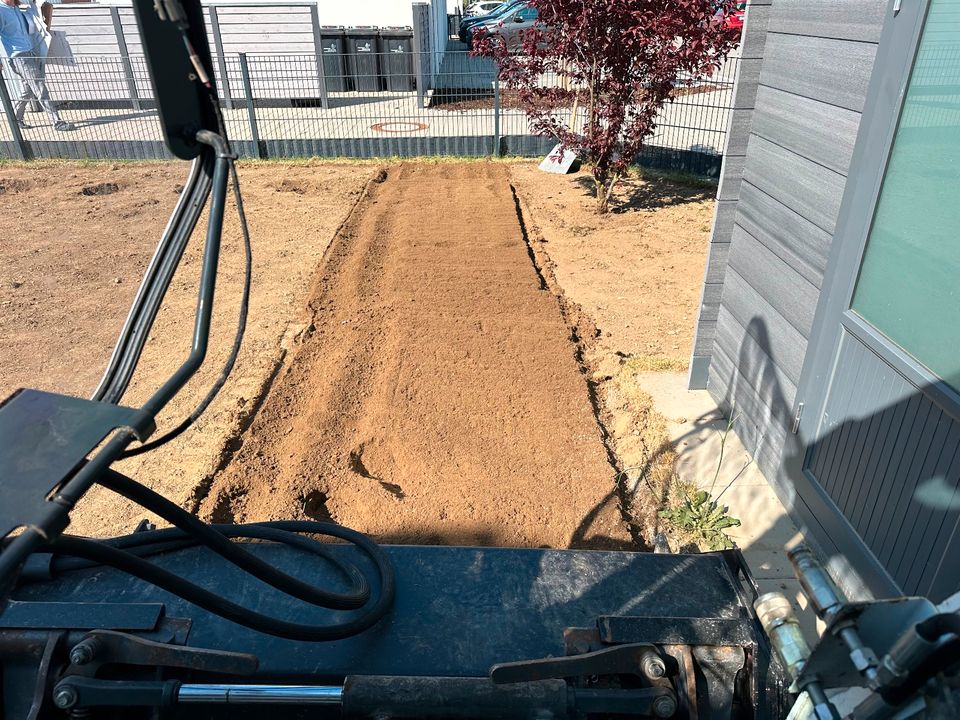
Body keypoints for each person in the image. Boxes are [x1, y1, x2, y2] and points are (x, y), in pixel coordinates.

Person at [0, 0, 74, 131]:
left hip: (30, 51)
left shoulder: (16, 8)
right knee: (40, 87)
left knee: (27, 90)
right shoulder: (1, 10)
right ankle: (57, 122)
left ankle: (15, 119)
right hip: (18, 56)